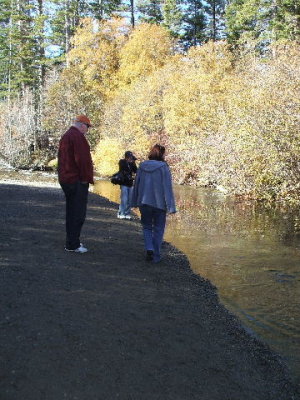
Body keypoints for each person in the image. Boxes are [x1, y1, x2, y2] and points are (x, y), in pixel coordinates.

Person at [131, 144, 176, 263]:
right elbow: (167, 187)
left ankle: (149, 248)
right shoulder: (163, 167)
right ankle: (156, 255)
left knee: (146, 227)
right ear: (161, 154)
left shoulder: (142, 166)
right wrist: (171, 206)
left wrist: (134, 201)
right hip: (159, 204)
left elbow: (137, 184)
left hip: (144, 202)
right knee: (158, 228)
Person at [58, 115, 94, 253]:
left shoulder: (66, 136)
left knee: (71, 211)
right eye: (88, 127)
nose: (88, 130)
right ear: (81, 125)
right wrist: (86, 179)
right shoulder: (77, 137)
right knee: (78, 213)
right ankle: (73, 244)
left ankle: (72, 241)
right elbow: (83, 160)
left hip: (66, 179)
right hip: (76, 180)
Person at [117, 151, 137, 220]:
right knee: (124, 199)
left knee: (130, 199)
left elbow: (136, 171)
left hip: (130, 183)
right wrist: (130, 162)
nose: (130, 159)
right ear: (126, 157)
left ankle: (127, 213)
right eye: (129, 157)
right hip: (124, 183)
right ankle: (121, 213)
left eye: (131, 158)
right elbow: (122, 169)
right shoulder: (122, 162)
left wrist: (133, 163)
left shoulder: (132, 164)